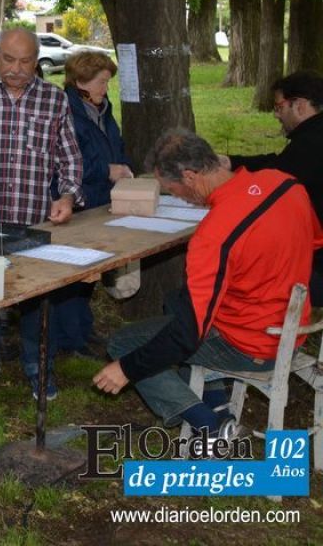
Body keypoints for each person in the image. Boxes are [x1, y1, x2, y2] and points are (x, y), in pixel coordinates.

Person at [94, 129, 322, 441]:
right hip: (294, 323)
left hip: (253, 343)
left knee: (124, 342)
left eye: (170, 189)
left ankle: (210, 427)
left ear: (189, 176)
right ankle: (217, 405)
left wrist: (126, 370)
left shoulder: (214, 235)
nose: (174, 196)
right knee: (177, 301)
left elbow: (188, 335)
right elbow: (314, 241)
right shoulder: (285, 183)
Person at [0, 28, 83, 401]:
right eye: (9, 59)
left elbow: (69, 154)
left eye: (25, 61)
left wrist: (68, 196)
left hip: (33, 217)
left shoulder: (55, 100)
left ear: (37, 60)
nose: (16, 69)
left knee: (37, 299)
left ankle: (39, 366)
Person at [52, 51, 133, 355]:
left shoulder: (102, 108)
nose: (105, 88)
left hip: (102, 200)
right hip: (75, 201)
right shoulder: (65, 110)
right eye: (101, 82)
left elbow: (116, 144)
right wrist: (106, 170)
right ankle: (69, 339)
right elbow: (63, 160)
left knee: (91, 270)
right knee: (72, 273)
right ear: (81, 81)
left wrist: (122, 167)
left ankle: (83, 330)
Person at [221, 70, 322, 227]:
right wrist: (230, 162)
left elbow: (272, 178)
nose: (276, 115)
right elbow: (279, 161)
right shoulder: (312, 134)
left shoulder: (310, 143)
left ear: (300, 106)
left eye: (279, 107)